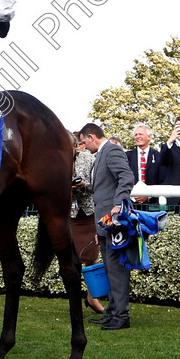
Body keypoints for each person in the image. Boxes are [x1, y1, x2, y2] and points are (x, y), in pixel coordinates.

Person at [79, 123, 135, 330]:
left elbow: (127, 177)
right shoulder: (100, 156)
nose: (84, 146)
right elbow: (101, 188)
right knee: (110, 269)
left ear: (92, 137)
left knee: (117, 270)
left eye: (84, 142)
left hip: (114, 222)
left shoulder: (111, 150)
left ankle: (121, 317)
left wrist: (119, 204)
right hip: (104, 225)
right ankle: (112, 313)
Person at [70, 133, 105, 314]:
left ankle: (92, 298)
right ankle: (74, 299)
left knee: (92, 257)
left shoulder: (88, 158)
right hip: (71, 215)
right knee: (72, 259)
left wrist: (83, 185)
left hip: (89, 212)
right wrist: (69, 187)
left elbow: (97, 183)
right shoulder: (57, 158)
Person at [125, 123, 162, 205]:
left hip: (153, 203)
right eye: (136, 135)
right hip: (131, 203)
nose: (138, 137)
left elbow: (161, 180)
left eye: (140, 134)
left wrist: (148, 196)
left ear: (149, 137)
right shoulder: (127, 156)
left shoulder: (158, 156)